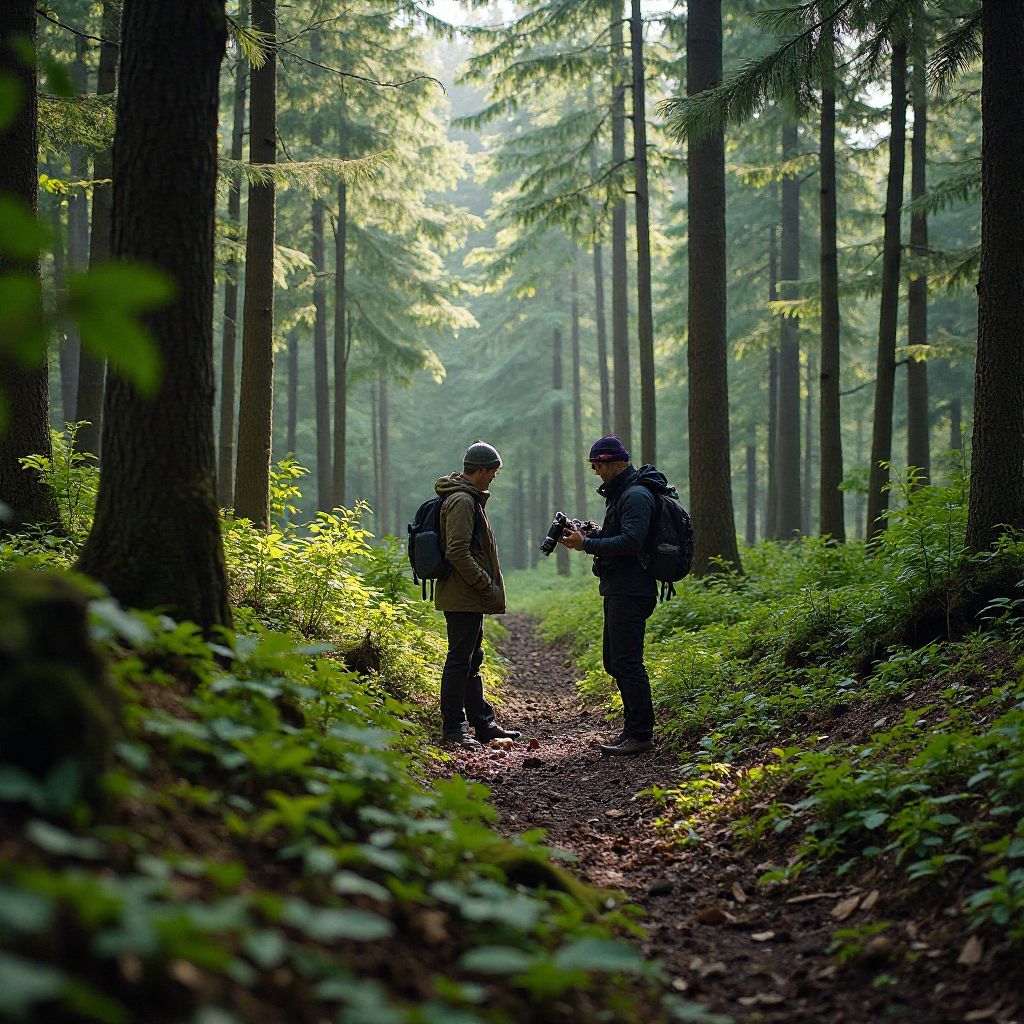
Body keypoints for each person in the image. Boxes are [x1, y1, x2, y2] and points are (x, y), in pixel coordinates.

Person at [560, 435, 665, 756]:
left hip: (631, 590)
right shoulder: (624, 494)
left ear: (619, 463)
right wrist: (594, 534)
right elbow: (623, 536)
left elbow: (632, 542)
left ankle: (641, 734)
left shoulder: (634, 495)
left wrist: (586, 544)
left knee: (627, 663)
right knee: (616, 662)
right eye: (593, 466)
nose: (597, 472)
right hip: (621, 588)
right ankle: (632, 730)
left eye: (600, 465)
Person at [434, 441, 520, 749]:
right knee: (460, 660)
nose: (494, 477)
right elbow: (456, 550)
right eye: (493, 472)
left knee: (471, 659)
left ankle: (483, 725)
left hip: (466, 594)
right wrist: (484, 583)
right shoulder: (462, 500)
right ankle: (453, 729)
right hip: (463, 594)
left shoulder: (468, 498)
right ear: (481, 471)